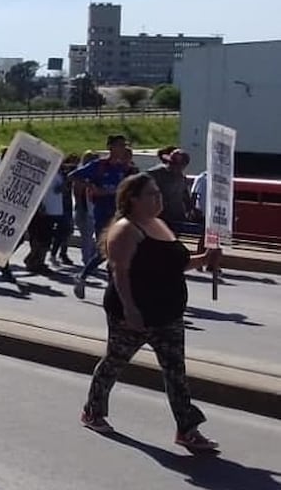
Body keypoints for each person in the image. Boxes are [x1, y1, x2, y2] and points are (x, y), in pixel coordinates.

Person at [81, 174, 219, 451]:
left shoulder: (160, 225)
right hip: (133, 313)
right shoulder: (126, 229)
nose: (159, 198)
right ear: (133, 199)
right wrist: (131, 310)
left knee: (175, 371)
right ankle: (93, 410)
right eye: (152, 195)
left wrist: (204, 259)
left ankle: (187, 428)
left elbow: (173, 264)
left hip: (168, 312)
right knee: (115, 362)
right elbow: (120, 273)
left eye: (159, 193)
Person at [69, 135, 136, 299]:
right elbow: (73, 176)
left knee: (123, 251)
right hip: (102, 213)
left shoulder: (126, 169)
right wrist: (91, 187)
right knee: (105, 250)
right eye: (119, 145)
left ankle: (116, 287)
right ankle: (83, 276)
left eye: (124, 145)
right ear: (110, 147)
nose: (122, 149)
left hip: (121, 214)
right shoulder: (98, 166)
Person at [148, 148, 192, 234]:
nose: (176, 167)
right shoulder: (155, 174)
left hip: (176, 216)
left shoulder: (181, 177)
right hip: (159, 217)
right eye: (173, 164)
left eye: (181, 165)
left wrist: (190, 208)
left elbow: (185, 195)